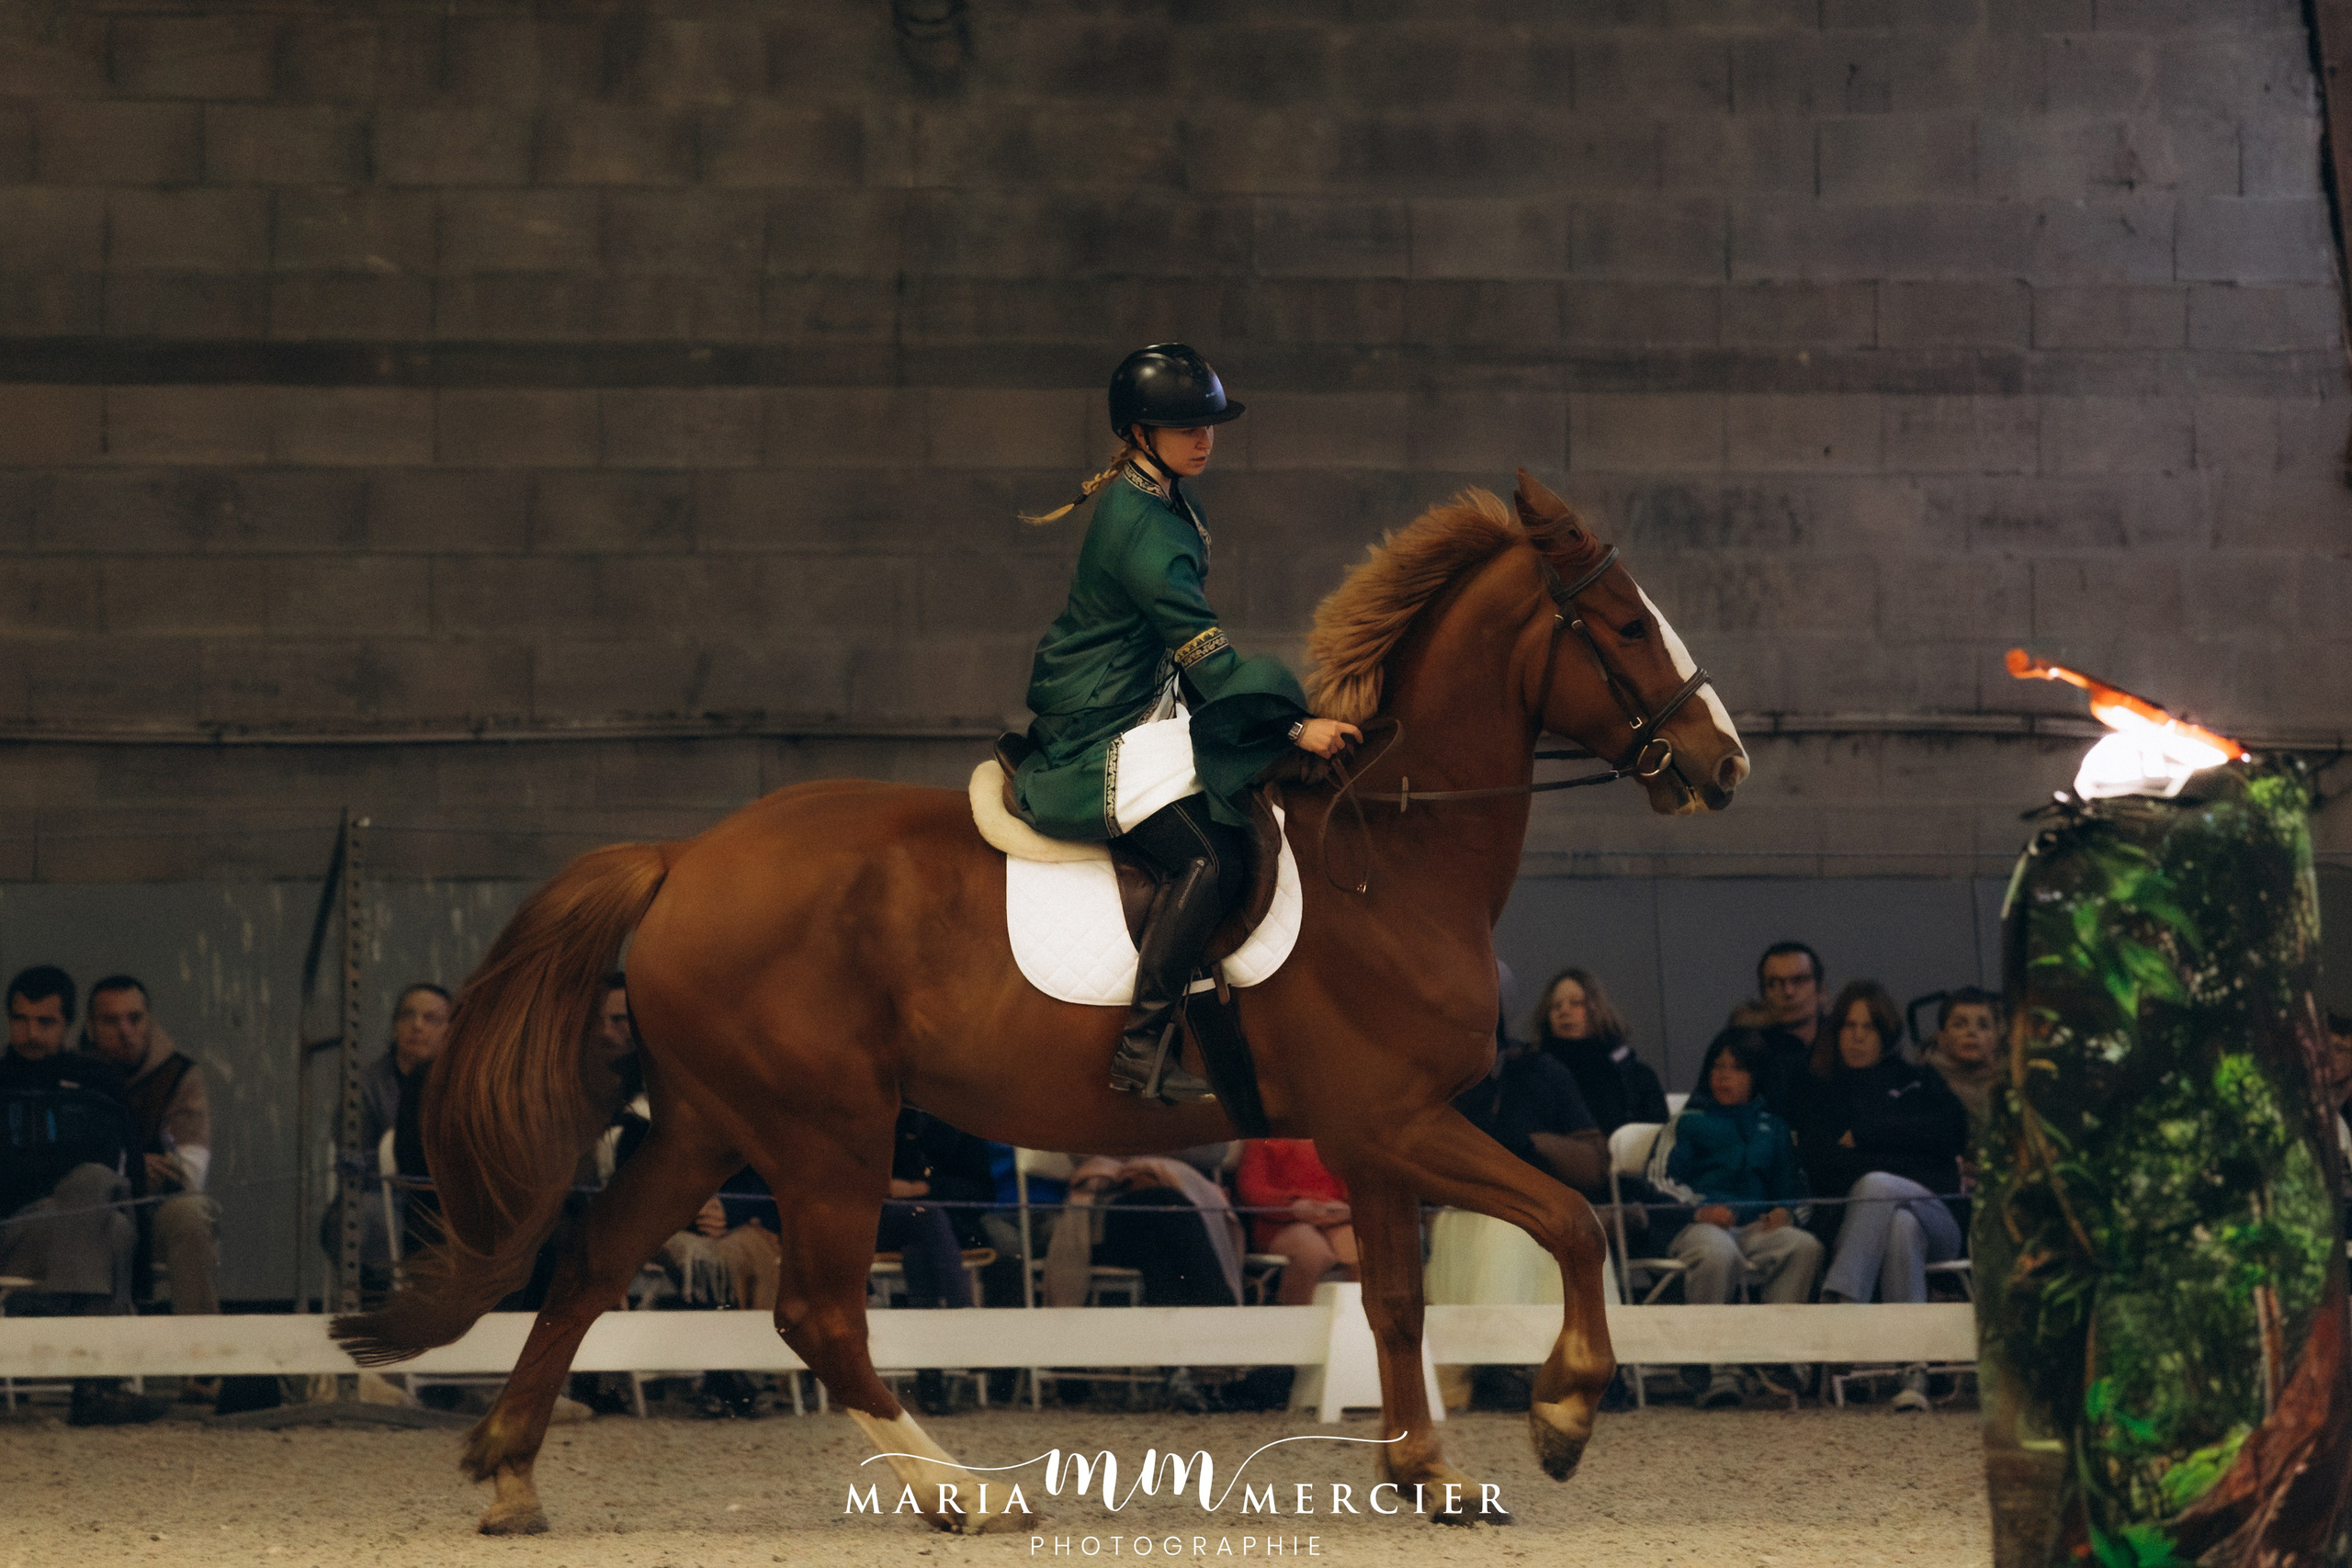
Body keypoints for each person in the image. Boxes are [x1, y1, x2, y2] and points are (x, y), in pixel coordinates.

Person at [1012, 343, 1359, 1101]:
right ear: (1141, 434)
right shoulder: (1142, 524)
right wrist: (1295, 727)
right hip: (1102, 721)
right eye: (1185, 427)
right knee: (1211, 858)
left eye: (1210, 425)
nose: (1205, 439)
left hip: (1144, 697)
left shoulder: (1170, 498)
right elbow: (1205, 651)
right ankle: (1140, 1049)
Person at [0, 965, 163, 1426]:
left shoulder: (98, 1084)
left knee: (102, 1208)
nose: (30, 1033)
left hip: (75, 1229)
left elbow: (124, 1169)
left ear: (67, 1026)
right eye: (20, 1020)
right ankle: (92, 1386)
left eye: (45, 1022)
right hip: (13, 1236)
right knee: (101, 1212)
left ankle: (63, 1322)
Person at [1801, 980, 1970, 1413]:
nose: (1857, 1036)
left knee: (1878, 1186)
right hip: (1868, 1224)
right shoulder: (1820, 1093)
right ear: (1835, 1031)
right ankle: (1912, 1372)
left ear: (1886, 1033)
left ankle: (1841, 1307)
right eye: (1849, 1026)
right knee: (1898, 1223)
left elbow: (1952, 1134)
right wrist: (1908, 1152)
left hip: (1942, 1221)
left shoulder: (1918, 1081)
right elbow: (1826, 1169)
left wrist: (1869, 1137)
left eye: (1869, 1027)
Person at [1663, 1031, 1821, 1409]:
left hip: (1753, 1229)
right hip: (1698, 1226)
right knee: (1719, 1251)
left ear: (1755, 1078)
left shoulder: (1774, 1127)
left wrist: (1787, 1213)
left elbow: (1795, 1190)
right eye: (1718, 1067)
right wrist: (1698, 1209)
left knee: (1803, 1246)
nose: (1724, 1076)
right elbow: (1660, 1181)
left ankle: (1774, 1357)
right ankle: (1711, 1366)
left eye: (1736, 1069)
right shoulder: (1688, 1121)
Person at [81, 977, 220, 1337]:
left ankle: (202, 1361)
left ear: (149, 1020)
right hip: (90, 1216)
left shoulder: (179, 1076)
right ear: (91, 1028)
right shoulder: (71, 1073)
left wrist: (116, 1166)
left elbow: (188, 1171)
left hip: (155, 1215)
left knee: (190, 1214)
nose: (125, 1031)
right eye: (111, 1021)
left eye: (134, 1018)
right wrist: (134, 1166)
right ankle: (94, 1367)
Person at [1698, 942, 1831, 1125]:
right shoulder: (1741, 1044)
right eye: (1775, 983)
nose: (1788, 992)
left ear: (1821, 991)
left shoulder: (1842, 1041)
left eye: (1799, 980)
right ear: (1763, 995)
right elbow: (1700, 1109)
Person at [1532, 967, 1667, 1137]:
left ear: (1596, 1008)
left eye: (1576, 1003)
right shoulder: (1533, 1075)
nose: (1564, 1011)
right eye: (1555, 1006)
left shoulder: (1634, 1076)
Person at [1234, 1138, 1355, 1306]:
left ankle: (1355, 1320)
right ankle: (1293, 1317)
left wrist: (1347, 1207)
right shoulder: (1261, 1139)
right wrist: (1293, 1205)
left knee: (1361, 1250)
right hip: (1279, 1224)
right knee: (1313, 1252)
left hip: (1332, 1219)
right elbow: (1252, 1189)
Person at [1921, 986, 2002, 1127]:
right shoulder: (1925, 1088)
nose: (1971, 1032)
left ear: (1996, 1038)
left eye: (1983, 1026)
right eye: (1959, 1025)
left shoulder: (2013, 1083)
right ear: (1941, 1038)